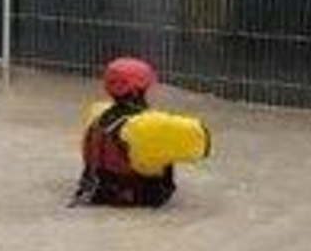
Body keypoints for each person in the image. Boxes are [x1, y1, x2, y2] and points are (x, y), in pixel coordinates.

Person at [70, 56, 211, 208]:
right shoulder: (144, 126)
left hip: (98, 193)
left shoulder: (97, 114)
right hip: (138, 201)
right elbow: (202, 143)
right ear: (137, 91)